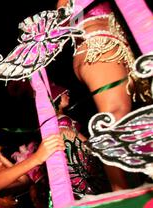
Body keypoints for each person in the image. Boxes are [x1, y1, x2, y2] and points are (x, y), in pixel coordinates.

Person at [57, 0, 136, 191]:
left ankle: (126, 190)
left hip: (97, 47)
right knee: (114, 119)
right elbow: (62, 17)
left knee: (121, 120)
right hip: (99, 46)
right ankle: (121, 194)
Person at [52, 83, 110, 198]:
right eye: (64, 94)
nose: (68, 95)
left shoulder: (56, 120)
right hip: (81, 162)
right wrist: (93, 147)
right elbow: (75, 138)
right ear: (56, 97)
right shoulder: (62, 121)